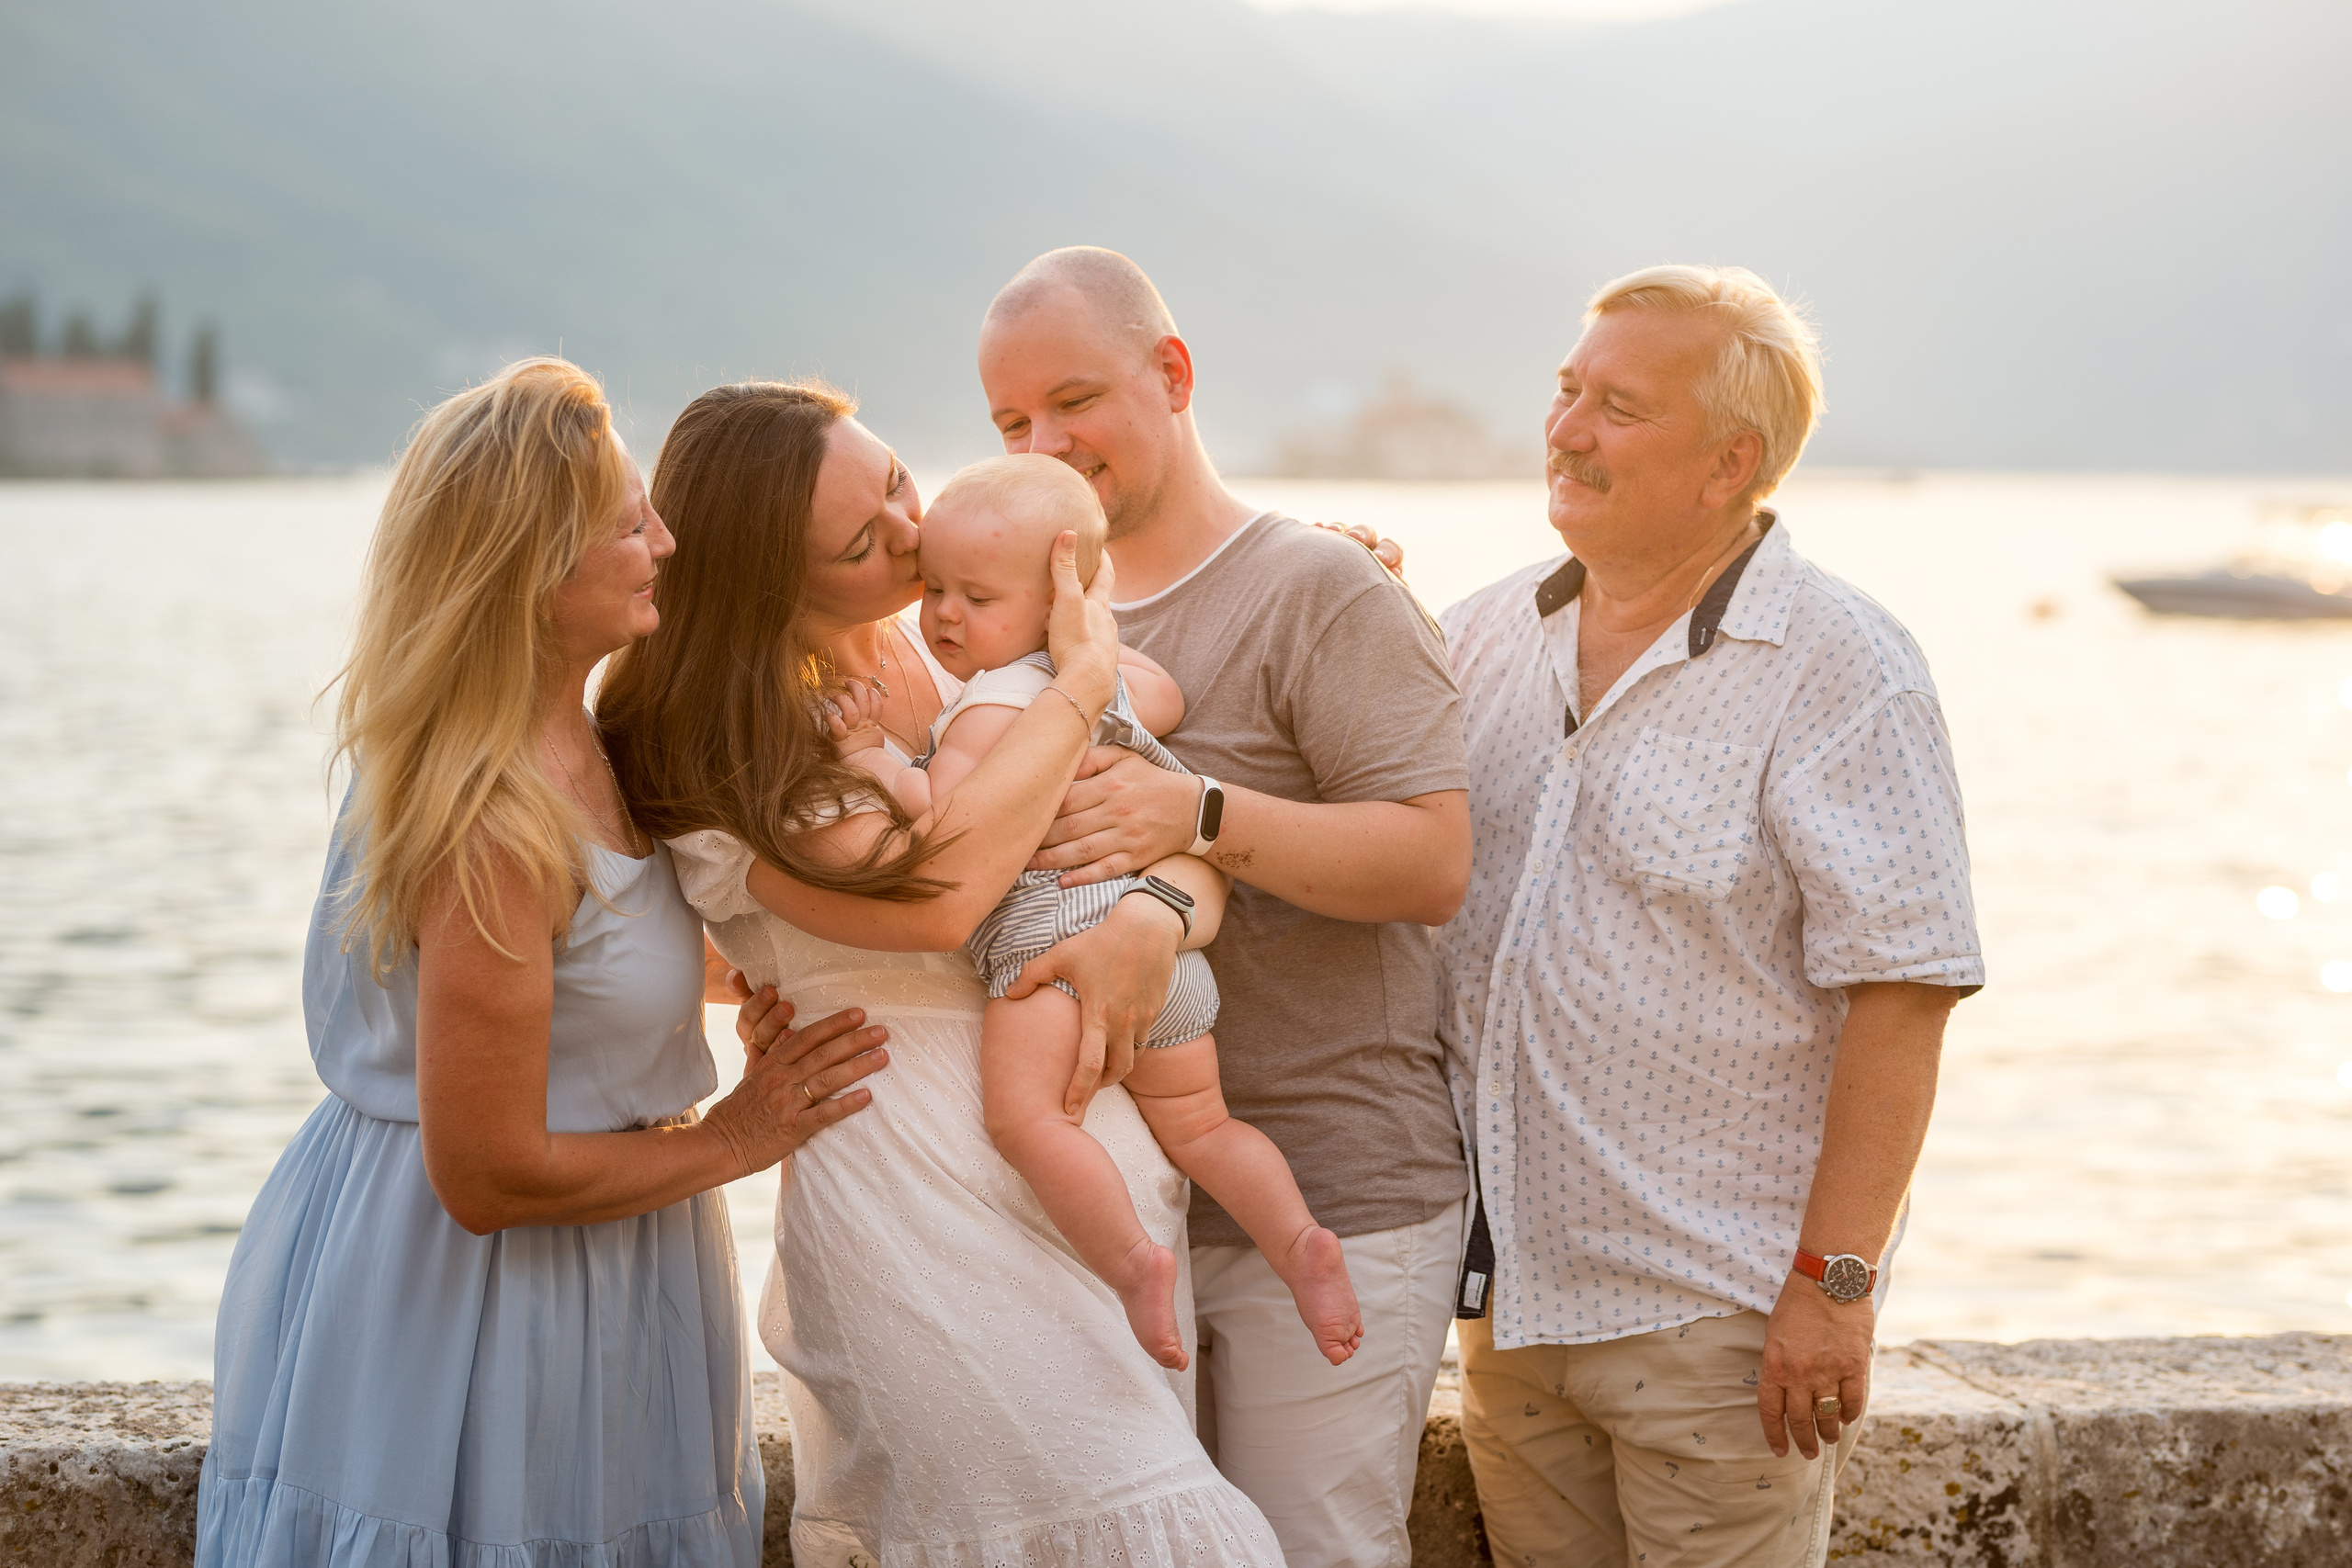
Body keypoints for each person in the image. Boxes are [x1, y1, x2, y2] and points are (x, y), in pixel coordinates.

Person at [198, 358, 888, 1568]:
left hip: (609, 1260)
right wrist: (739, 1135)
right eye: (629, 526)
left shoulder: (587, 733)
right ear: (531, 567)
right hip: (482, 1294)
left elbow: (592, 965)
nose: (665, 543)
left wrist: (749, 975)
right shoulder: (489, 819)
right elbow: (489, 1171)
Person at [595, 381, 1284, 1568]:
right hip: (914, 1204)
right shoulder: (726, 749)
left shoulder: (959, 639)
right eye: (861, 544)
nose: (914, 535)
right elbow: (943, 900)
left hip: (1090, 1179)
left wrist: (1160, 910)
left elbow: (1164, 830)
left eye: (896, 484)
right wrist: (1080, 685)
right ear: (770, 585)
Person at [1436, 265, 1984, 1566]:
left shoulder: (1842, 666)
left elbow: (1905, 989)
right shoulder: (1476, 635)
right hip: (1510, 1314)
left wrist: (1833, 1289)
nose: (1566, 430)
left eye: (1618, 407)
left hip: (1720, 1328)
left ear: (1730, 461)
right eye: (1566, 391)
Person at [977, 246, 1473, 1566]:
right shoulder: (1015, 624)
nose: (1044, 446)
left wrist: (1195, 815)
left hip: (1335, 1193)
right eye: (1011, 422)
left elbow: (1432, 860)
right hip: (1119, 1218)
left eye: (1073, 400)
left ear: (1173, 373)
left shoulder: (1322, 585)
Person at [835, 452, 1363, 1374]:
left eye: (977, 598)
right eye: (936, 589)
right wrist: (1089, 635)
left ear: (1053, 603)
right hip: (1167, 963)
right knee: (1203, 1128)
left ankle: (1130, 1264)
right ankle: (1299, 1242)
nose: (946, 616)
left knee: (1028, 1123)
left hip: (1055, 949)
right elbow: (1171, 697)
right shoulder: (1113, 677)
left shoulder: (991, 707)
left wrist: (870, 758)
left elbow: (941, 818)